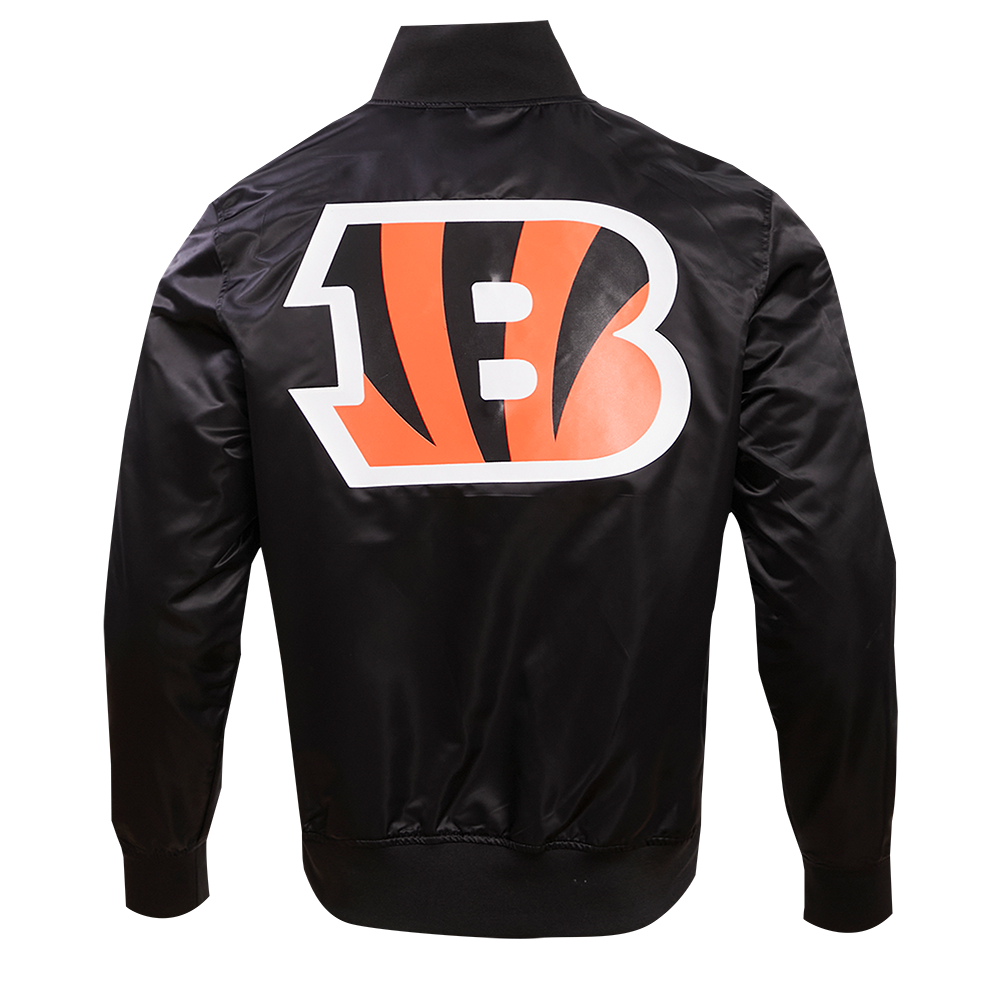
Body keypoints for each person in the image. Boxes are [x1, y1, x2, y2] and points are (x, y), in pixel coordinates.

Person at [106, 19, 895, 938]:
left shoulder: (251, 235)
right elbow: (826, 566)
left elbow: (168, 579)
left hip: (360, 865)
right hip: (628, 868)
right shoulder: (731, 231)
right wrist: (848, 872)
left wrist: (158, 877)